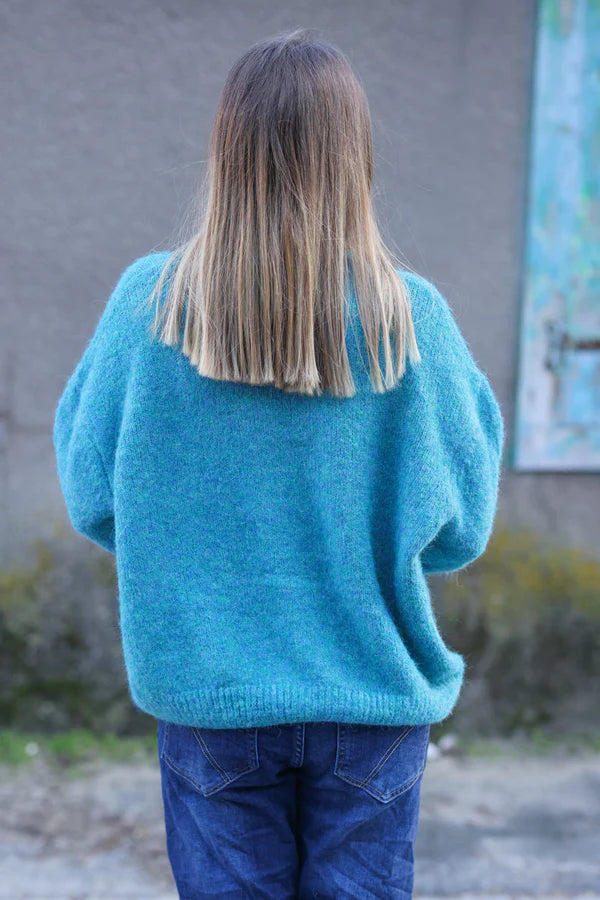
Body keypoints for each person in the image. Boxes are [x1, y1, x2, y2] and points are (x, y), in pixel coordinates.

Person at [53, 27, 504, 900]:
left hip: (211, 702)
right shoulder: (414, 321)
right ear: (356, 157)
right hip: (371, 702)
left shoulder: (148, 306)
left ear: (227, 152)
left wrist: (190, 556)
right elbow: (464, 527)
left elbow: (92, 496)